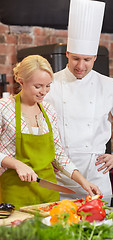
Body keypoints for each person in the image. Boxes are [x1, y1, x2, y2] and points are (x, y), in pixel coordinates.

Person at [44, 0, 113, 200]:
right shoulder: (50, 83)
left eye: (87, 59)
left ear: (95, 58)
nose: (81, 65)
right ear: (67, 54)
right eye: (75, 58)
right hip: (59, 177)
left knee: (101, 227)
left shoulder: (109, 86)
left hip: (97, 177)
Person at [0, 55, 102, 210]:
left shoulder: (48, 111)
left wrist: (83, 181)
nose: (44, 92)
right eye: (38, 86)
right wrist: (16, 164)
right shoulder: (4, 108)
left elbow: (59, 155)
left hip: (48, 195)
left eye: (48, 86)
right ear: (21, 81)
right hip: (15, 194)